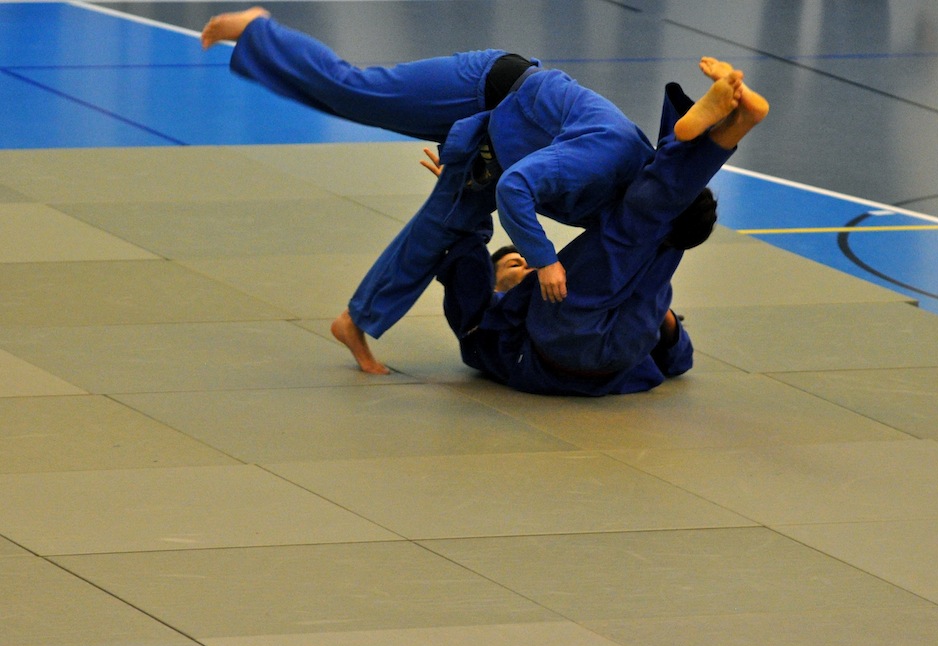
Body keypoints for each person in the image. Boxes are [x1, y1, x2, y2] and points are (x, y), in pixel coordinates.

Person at [201, 8, 656, 373]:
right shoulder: (612, 153)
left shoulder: (626, 206)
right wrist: (544, 259)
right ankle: (259, 30)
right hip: (485, 89)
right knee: (355, 92)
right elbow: (517, 188)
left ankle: (356, 321)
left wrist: (471, 161)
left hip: (497, 143)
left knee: (442, 226)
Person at [431, 61, 769, 395]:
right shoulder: (486, 327)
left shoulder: (563, 289)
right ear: (493, 283)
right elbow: (465, 262)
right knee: (631, 227)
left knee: (673, 226)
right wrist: (461, 202)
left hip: (623, 342)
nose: (528, 265)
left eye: (524, 260)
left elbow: (681, 360)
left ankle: (720, 130)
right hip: (565, 341)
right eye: (514, 265)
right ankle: (702, 133)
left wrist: (660, 314)